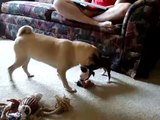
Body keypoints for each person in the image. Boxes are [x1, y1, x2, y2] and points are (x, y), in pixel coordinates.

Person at [53, 0, 131, 30]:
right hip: (88, 10)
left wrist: (107, 8)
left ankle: (86, 20)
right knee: (58, 2)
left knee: (126, 7)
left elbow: (117, 5)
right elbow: (85, 2)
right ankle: (95, 22)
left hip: (106, 12)